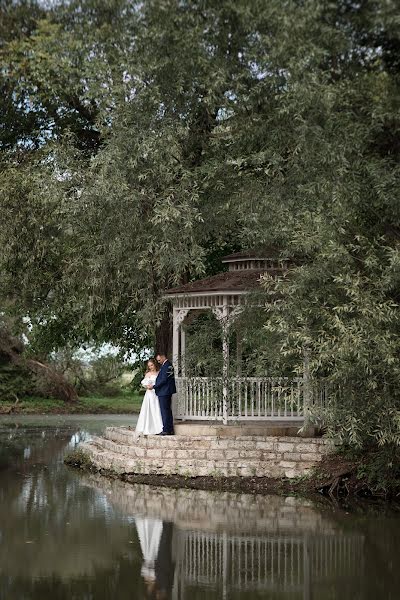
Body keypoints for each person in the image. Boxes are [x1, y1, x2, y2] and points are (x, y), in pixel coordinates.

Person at [149, 351, 176, 435]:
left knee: (165, 411)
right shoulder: (167, 365)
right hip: (165, 391)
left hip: (164, 392)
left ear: (163, 356)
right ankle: (169, 429)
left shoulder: (167, 365)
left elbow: (164, 380)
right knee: (167, 411)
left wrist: (154, 386)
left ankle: (166, 430)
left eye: (159, 360)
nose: (158, 361)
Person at [136, 358, 164, 436]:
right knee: (150, 408)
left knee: (157, 408)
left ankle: (159, 427)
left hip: (157, 392)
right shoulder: (148, 374)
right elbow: (144, 382)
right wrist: (147, 386)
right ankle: (149, 427)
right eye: (149, 366)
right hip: (150, 393)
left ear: (155, 364)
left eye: (152, 365)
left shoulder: (159, 372)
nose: (151, 367)